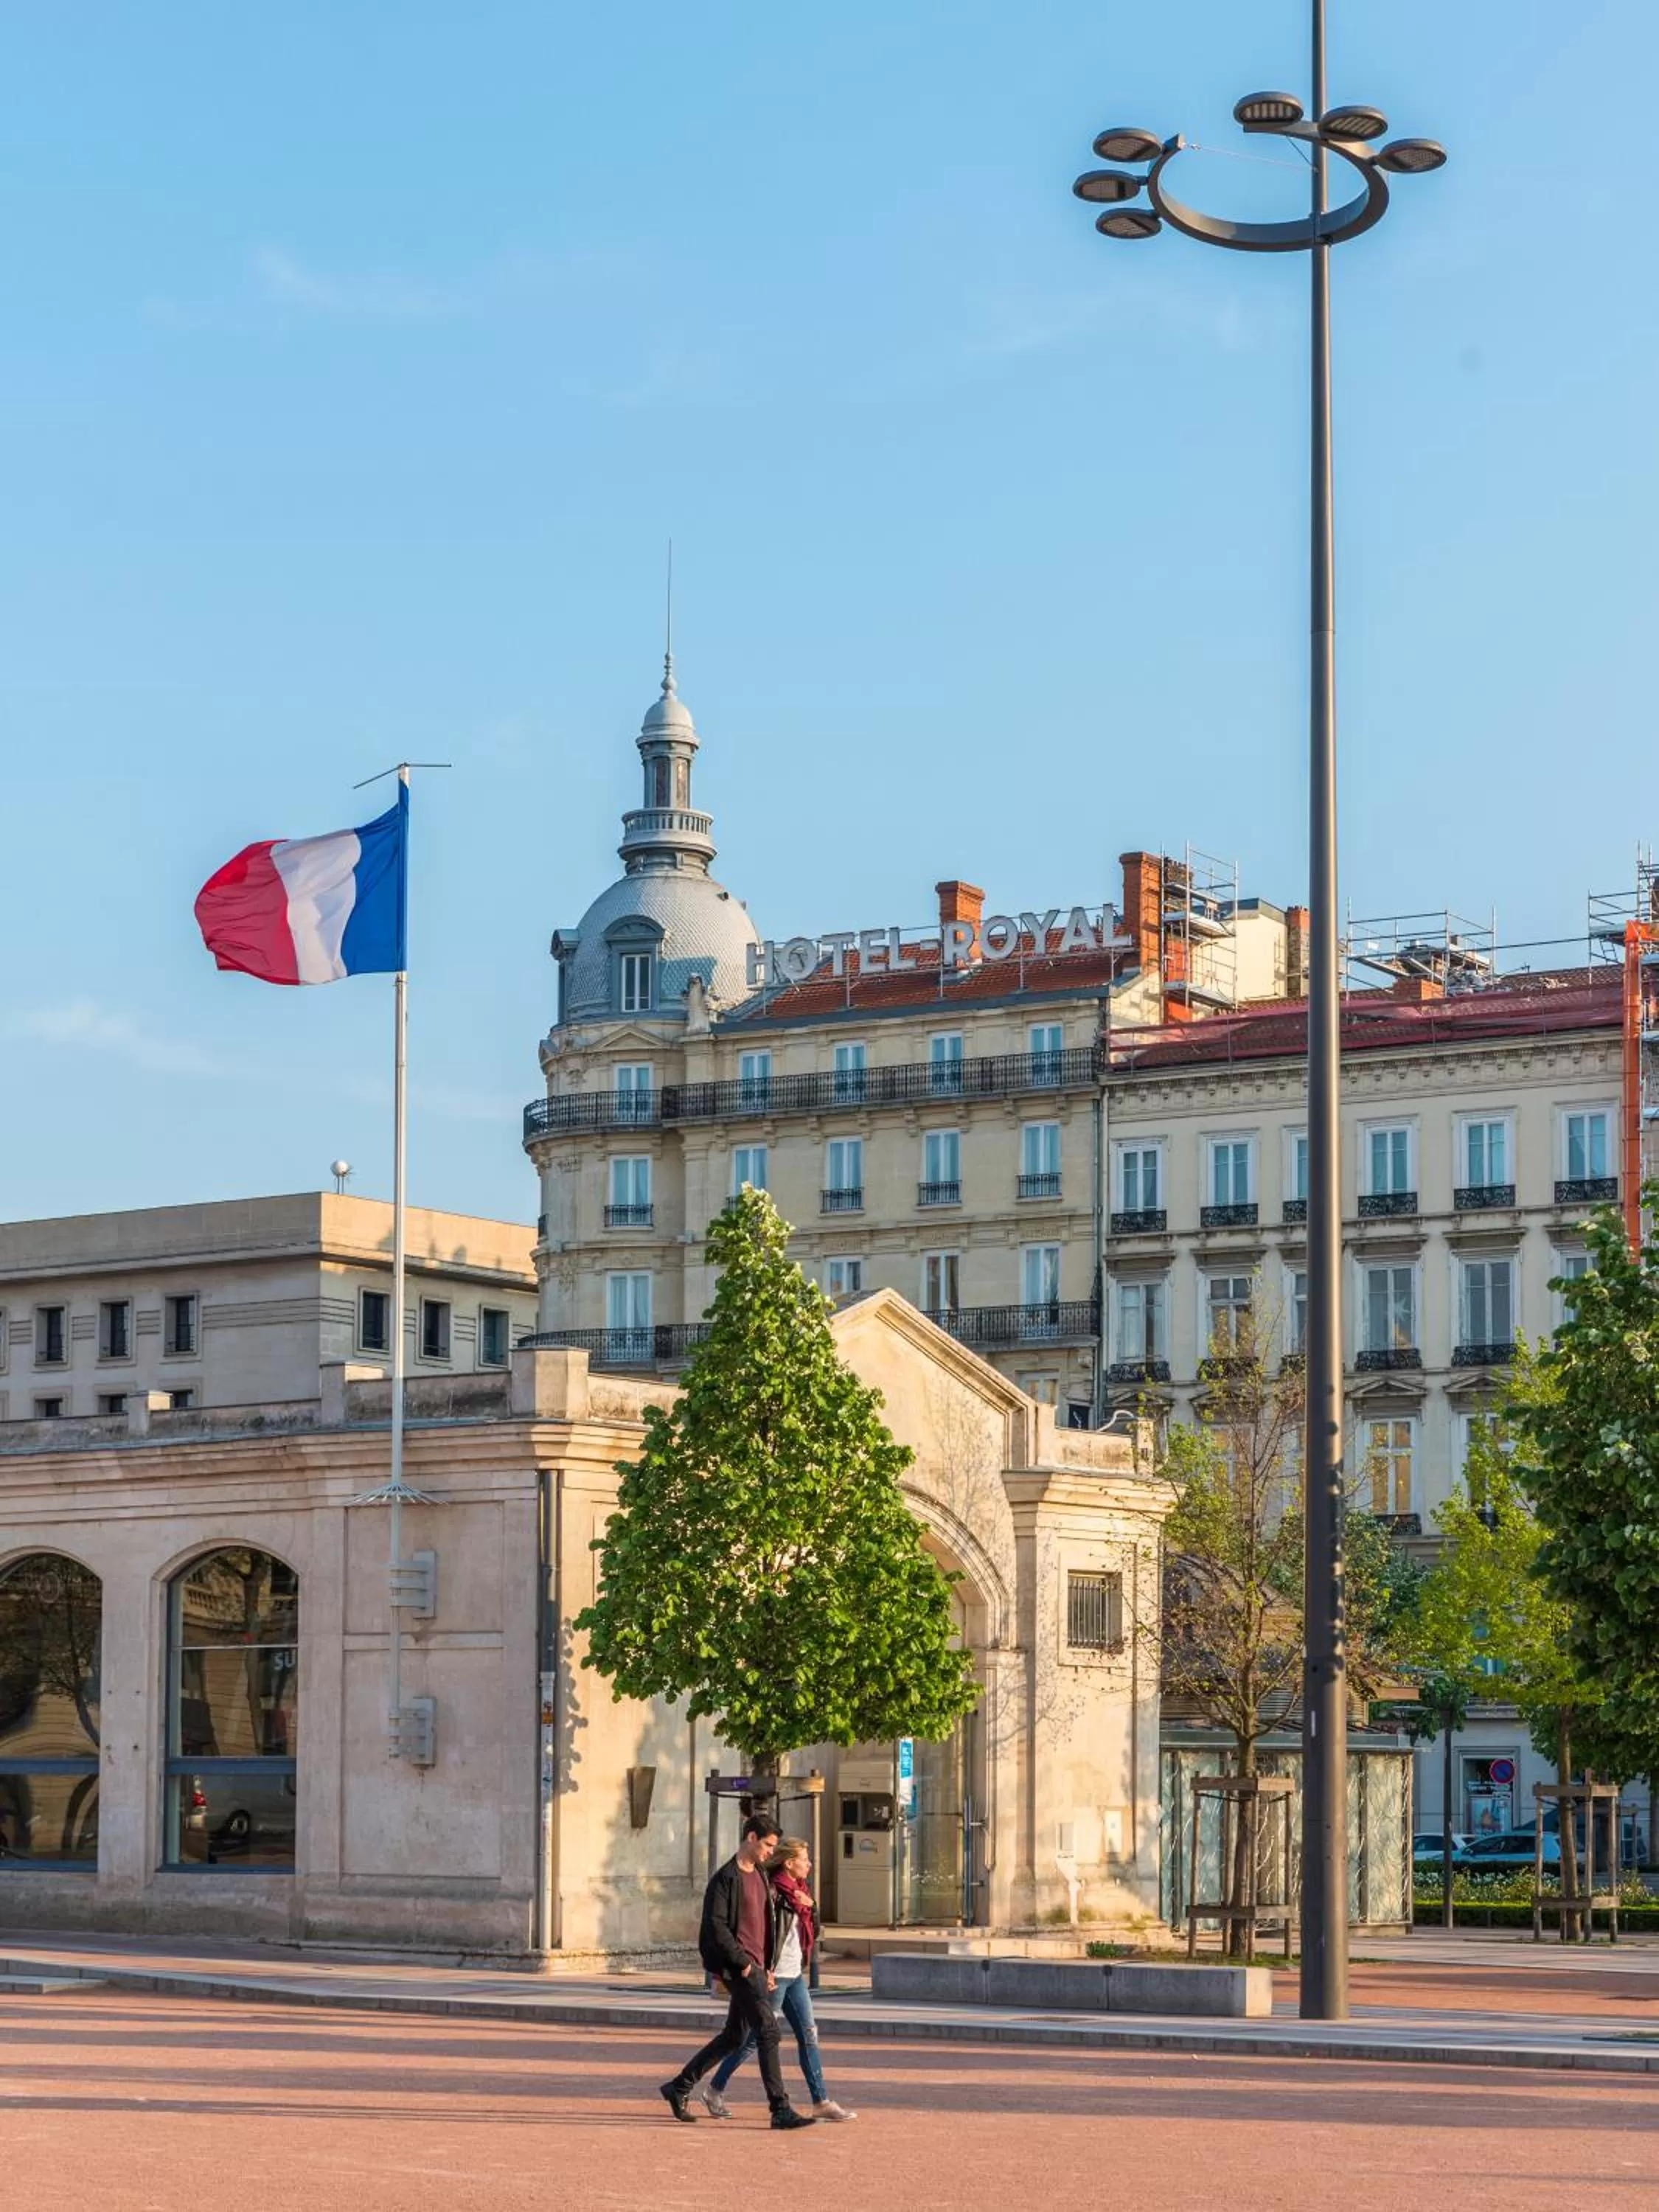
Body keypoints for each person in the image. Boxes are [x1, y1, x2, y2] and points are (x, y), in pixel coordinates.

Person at [658, 1812, 815, 2130]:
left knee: (734, 2036)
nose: (771, 1852)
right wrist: (744, 1965)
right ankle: (780, 2109)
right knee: (769, 2032)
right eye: (768, 1845)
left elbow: (767, 1926)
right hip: (740, 1970)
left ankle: (679, 2087)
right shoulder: (725, 1879)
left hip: (757, 1968)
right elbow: (716, 1928)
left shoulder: (759, 1874)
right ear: (751, 1838)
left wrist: (767, 1966)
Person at [698, 1836, 855, 2122]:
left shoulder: (800, 1892)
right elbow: (761, 1934)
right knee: (755, 2039)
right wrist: (763, 1968)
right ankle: (714, 2089)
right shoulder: (770, 1890)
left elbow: (813, 1932)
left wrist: (813, 1907)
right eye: (805, 1860)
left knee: (808, 2034)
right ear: (789, 1863)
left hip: (794, 1974)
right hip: (774, 1974)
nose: (809, 1865)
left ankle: (821, 2100)